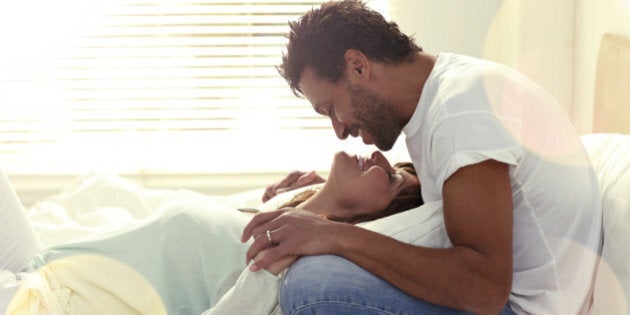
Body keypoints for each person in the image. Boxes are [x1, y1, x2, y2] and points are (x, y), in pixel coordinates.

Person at [241, 1, 603, 314]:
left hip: (521, 308)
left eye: (332, 109)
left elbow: (485, 288)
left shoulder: (461, 110)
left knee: (309, 287)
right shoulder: (444, 98)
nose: (339, 130)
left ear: (357, 66)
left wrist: (334, 234)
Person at [0, 150, 425, 315]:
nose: (377, 155)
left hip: (50, 303)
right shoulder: (279, 211)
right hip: (49, 267)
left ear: (375, 218)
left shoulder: (291, 264)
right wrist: (271, 200)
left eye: (390, 179)